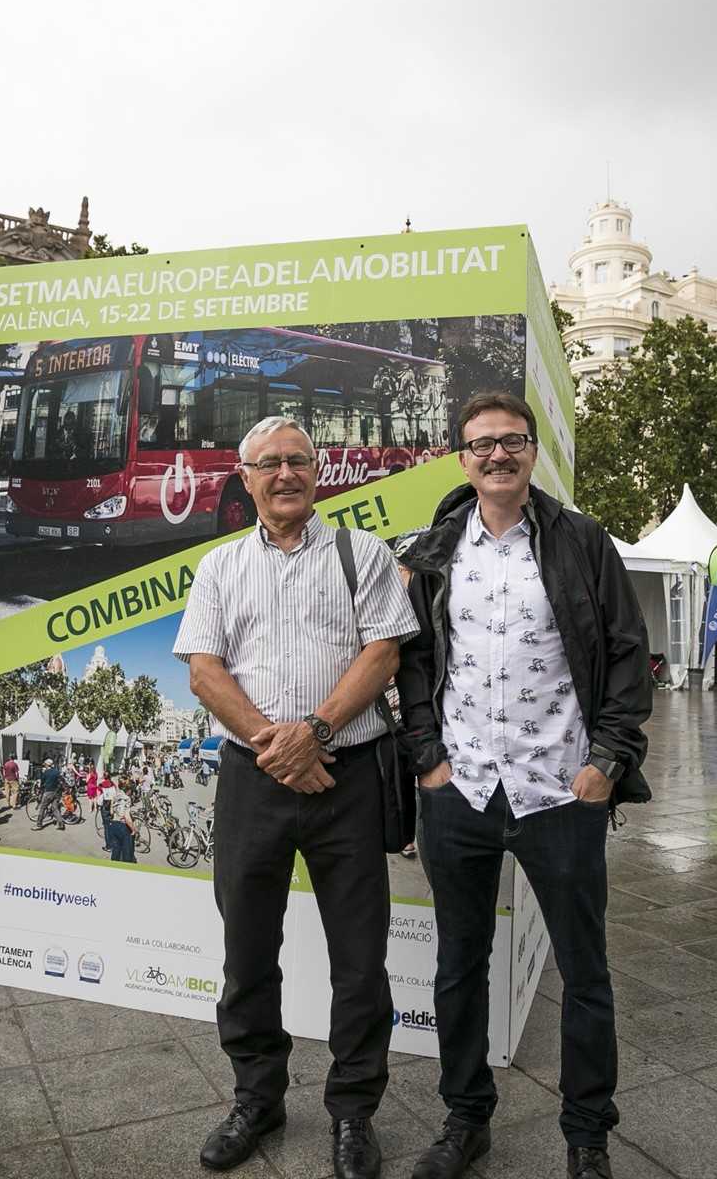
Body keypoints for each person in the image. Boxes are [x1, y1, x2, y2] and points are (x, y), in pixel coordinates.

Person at [395, 393, 650, 1179]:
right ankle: (465, 1119)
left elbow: (627, 654)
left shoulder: (582, 541)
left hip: (560, 793)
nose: (496, 456)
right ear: (461, 459)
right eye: (480, 446)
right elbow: (412, 661)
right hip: (461, 791)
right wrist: (428, 760)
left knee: (586, 973)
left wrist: (606, 762)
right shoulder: (434, 549)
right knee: (458, 968)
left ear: (532, 451)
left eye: (510, 442)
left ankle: (587, 1137)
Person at [174, 414, 418, 1179]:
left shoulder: (363, 553)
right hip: (256, 781)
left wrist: (313, 730)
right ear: (244, 479)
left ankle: (354, 1113)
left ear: (320, 473)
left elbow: (383, 653)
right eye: (269, 463)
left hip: (348, 777)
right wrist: (278, 748)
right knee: (248, 952)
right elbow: (204, 670)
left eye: (299, 461)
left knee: (360, 960)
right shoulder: (218, 568)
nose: (286, 474)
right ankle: (257, 1098)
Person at [36, 758, 63, 830]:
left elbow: (42, 782)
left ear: (47, 765)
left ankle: (39, 824)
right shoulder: (57, 772)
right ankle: (60, 824)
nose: (44, 766)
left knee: (42, 808)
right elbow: (60, 780)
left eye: (45, 765)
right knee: (55, 808)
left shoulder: (46, 772)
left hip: (48, 792)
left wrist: (40, 789)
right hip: (56, 792)